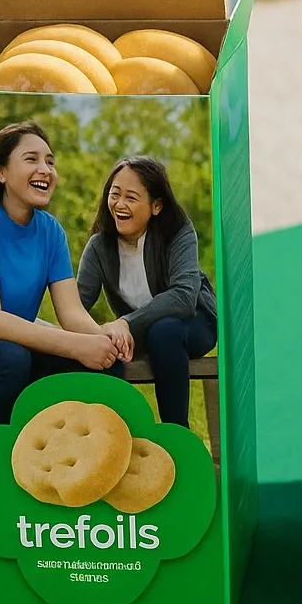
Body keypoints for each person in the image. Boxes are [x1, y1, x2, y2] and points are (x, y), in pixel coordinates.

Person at [0, 122, 126, 426]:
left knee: (107, 363)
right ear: (1, 173)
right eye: (31, 159)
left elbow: (70, 313)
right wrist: (75, 345)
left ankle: (91, 457)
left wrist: (103, 338)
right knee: (11, 359)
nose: (45, 169)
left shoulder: (51, 230)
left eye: (50, 162)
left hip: (17, 338)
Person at [77, 156, 218, 428]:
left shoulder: (177, 232)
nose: (119, 204)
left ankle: (177, 434)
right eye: (114, 194)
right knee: (105, 344)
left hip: (194, 323)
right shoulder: (99, 246)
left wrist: (125, 322)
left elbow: (184, 297)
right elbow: (76, 304)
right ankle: (116, 437)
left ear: (156, 205)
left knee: (163, 331)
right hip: (138, 334)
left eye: (131, 197)